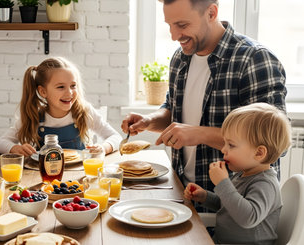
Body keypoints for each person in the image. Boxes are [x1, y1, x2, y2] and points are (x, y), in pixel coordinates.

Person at [121, 0, 287, 207]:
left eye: (182, 25)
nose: (174, 36)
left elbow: (276, 145)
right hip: (186, 194)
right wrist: (149, 121)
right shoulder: (181, 58)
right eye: (169, 25)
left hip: (235, 211)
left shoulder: (254, 59)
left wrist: (198, 134)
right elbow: (174, 111)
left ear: (211, 13)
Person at [183, 103, 291, 244]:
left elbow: (248, 217)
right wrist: (205, 197)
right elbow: (230, 207)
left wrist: (223, 184)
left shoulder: (265, 184)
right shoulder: (242, 175)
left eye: (231, 145)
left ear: (259, 153)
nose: (223, 149)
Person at [0, 57, 122, 156]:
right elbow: (1, 143)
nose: (69, 93)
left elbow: (116, 137)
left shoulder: (84, 112)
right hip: (45, 178)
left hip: (80, 176)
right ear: (43, 92)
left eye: (73, 86)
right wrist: (15, 148)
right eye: (61, 87)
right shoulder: (34, 117)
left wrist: (103, 148)